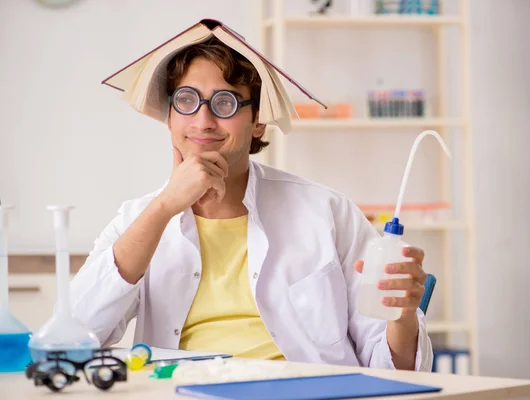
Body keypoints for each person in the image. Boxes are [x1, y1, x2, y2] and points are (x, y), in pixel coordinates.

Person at [69, 23, 433, 372]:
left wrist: (401, 316)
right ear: (169, 117)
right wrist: (164, 206)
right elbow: (74, 338)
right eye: (186, 100)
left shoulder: (328, 212)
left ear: (258, 120)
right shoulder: (139, 218)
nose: (203, 121)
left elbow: (395, 371)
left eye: (225, 103)